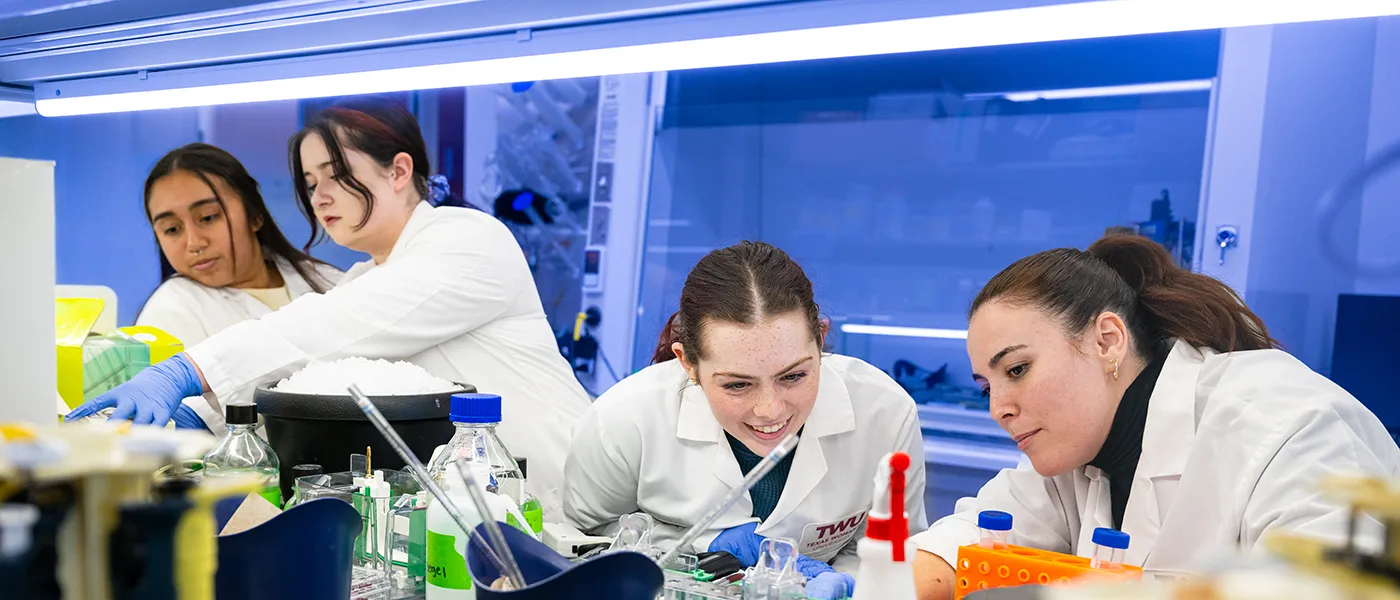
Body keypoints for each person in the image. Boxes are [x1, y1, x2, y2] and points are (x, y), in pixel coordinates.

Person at [67, 97, 592, 516]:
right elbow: (313, 372)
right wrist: (193, 415)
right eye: (310, 182)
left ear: (399, 170)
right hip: (480, 508)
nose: (319, 196)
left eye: (335, 174)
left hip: (565, 495)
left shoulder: (469, 240)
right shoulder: (367, 275)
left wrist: (187, 370)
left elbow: (326, 330)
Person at [910, 235, 1400, 600]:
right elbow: (970, 540)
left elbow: (1324, 588)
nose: (1000, 408)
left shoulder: (1291, 425)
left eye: (1017, 369)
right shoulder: (1073, 454)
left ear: (1107, 340)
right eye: (986, 388)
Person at [563, 241, 927, 600]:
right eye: (738, 384)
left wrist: (846, 584)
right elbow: (580, 540)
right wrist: (703, 546)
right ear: (688, 363)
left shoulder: (884, 413)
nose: (770, 410)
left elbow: (900, 556)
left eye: (794, 376)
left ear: (821, 340)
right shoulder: (625, 419)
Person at [136, 143, 343, 431]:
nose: (194, 243)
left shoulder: (329, 282)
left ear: (255, 215)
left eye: (208, 217)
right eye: (172, 229)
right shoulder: (170, 310)